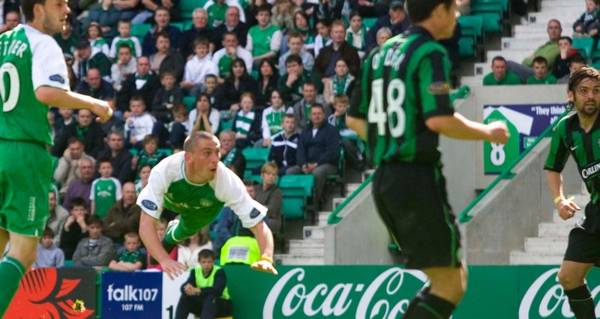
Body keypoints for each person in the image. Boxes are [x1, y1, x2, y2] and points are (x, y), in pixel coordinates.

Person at [346, 1, 509, 318]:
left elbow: (353, 120)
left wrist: (390, 139)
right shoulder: (430, 53)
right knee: (451, 284)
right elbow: (439, 120)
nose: (458, 15)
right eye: (453, 8)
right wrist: (488, 132)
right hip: (415, 180)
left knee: (449, 281)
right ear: (438, 10)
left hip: (383, 181)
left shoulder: (379, 54)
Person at [137, 131, 277, 278]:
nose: (215, 159)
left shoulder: (228, 181)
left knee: (186, 231)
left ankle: (172, 235)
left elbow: (258, 224)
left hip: (203, 210)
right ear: (188, 157)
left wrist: (266, 257)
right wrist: (164, 260)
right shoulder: (164, 170)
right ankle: (164, 243)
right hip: (169, 200)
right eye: (207, 153)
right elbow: (145, 225)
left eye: (217, 152)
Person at [544, 67, 600, 319]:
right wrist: (559, 200)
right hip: (596, 212)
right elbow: (553, 169)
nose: (591, 96)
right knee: (568, 277)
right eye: (584, 91)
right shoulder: (565, 129)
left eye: (597, 91)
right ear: (571, 95)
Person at [288, 104, 340, 207]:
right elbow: (300, 150)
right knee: (290, 172)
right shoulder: (305, 131)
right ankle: (295, 203)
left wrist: (317, 164)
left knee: (317, 173)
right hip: (307, 164)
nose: (316, 116)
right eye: (314, 114)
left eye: (319, 114)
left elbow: (332, 152)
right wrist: (303, 165)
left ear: (324, 115)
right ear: (310, 116)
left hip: (327, 164)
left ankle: (314, 202)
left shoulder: (331, 130)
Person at [174, 249, 232, 319]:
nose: (206, 265)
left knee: (211, 298)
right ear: (199, 262)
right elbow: (184, 286)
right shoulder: (195, 271)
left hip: (222, 305)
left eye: (209, 262)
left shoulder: (219, 271)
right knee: (185, 297)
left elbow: (217, 291)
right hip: (204, 306)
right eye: (203, 262)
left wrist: (198, 290)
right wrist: (186, 288)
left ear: (213, 262)